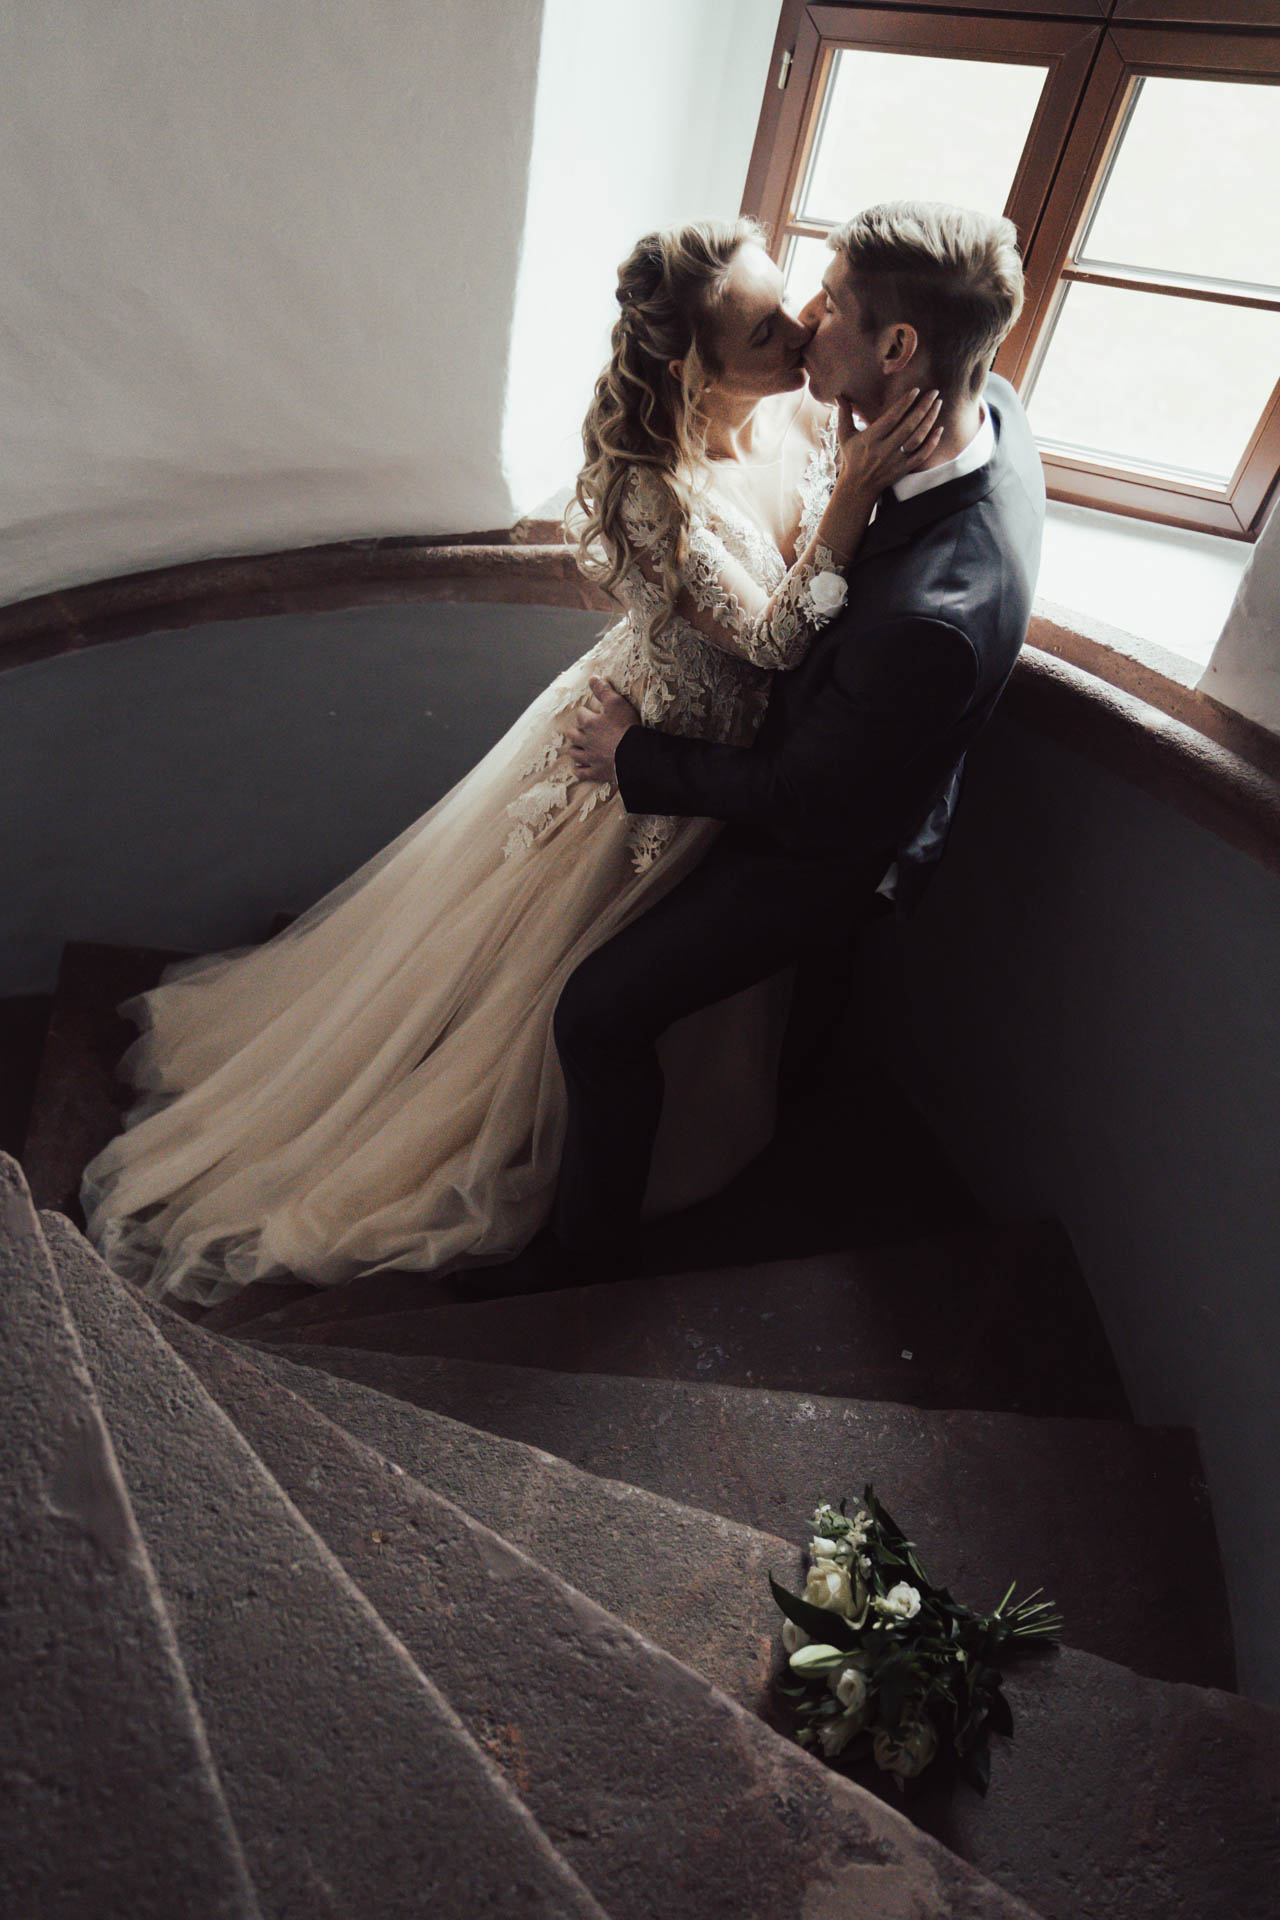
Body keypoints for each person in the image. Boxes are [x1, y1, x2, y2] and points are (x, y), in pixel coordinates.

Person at [80, 216, 940, 1309]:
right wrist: (858, 499)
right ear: (694, 366)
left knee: (680, 988)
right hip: (641, 759)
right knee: (546, 985)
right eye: (763, 329)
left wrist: (847, 478)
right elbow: (772, 638)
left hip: (719, 765)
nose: (800, 331)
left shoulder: (790, 428)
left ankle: (686, 1147)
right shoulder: (648, 490)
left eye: (794, 307)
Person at [551, 199, 1045, 1271]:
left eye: (827, 307)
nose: (807, 319)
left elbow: (804, 795)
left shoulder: (929, 615)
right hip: (786, 748)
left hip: (806, 842)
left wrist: (636, 760)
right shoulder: (985, 402)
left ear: (900, 348)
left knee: (593, 1015)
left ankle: (577, 1268)